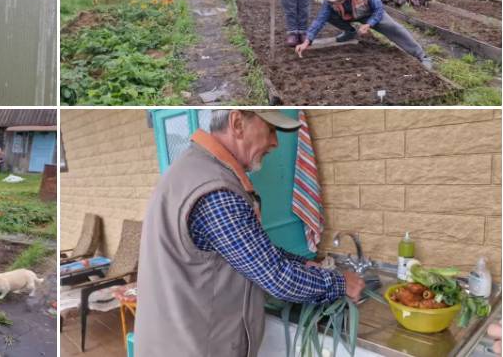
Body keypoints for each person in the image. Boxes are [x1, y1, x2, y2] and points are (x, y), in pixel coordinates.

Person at [135, 110, 365, 357]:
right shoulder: (216, 190)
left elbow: (249, 249)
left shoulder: (193, 168)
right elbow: (278, 279)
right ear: (237, 123)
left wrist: (302, 262)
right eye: (270, 130)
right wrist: (341, 283)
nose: (275, 143)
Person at [295, 0, 433, 70]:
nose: (335, 1)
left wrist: (369, 24)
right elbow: (320, 19)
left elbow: (379, 9)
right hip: (348, 15)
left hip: (368, 14)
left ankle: (422, 55)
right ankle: (350, 32)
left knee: (393, 27)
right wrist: (307, 40)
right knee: (329, 14)